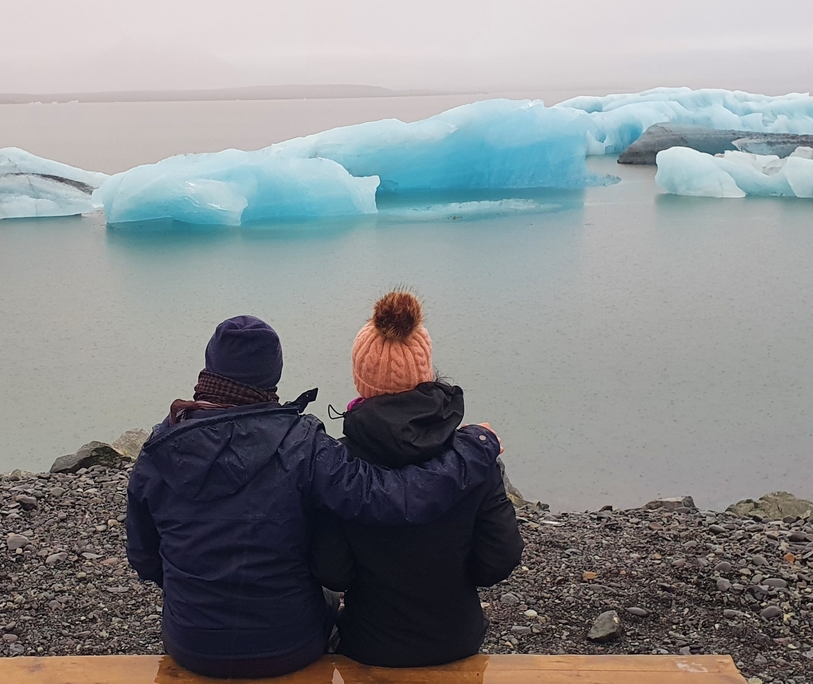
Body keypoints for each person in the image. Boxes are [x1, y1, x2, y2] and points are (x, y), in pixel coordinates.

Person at [126, 315, 500, 679]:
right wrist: (474, 449)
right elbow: (395, 498)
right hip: (288, 645)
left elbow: (146, 560)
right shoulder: (302, 444)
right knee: (327, 601)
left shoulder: (161, 450)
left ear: (210, 368)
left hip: (192, 644)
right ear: (273, 374)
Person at [311, 290, 524, 668]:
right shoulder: (473, 458)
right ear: (425, 372)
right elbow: (498, 560)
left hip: (369, 644)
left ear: (361, 380)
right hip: (456, 638)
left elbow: (333, 570)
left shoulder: (341, 465)